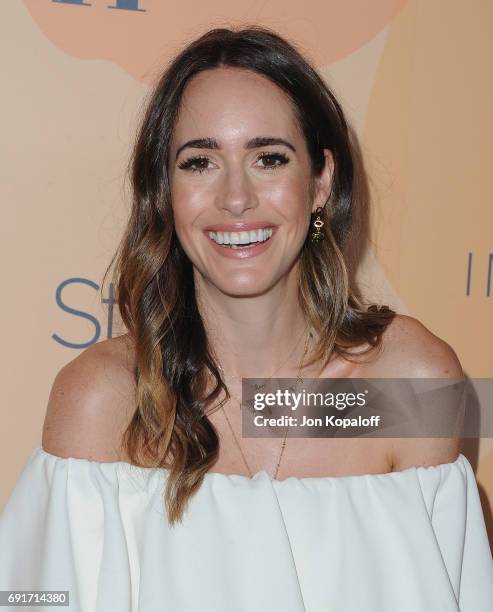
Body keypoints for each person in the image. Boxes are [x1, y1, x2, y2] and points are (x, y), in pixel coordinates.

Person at [1, 25, 492, 612]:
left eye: (268, 158)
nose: (236, 198)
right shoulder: (106, 399)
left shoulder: (407, 384)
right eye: (201, 161)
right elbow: (38, 598)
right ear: (166, 191)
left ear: (320, 183)